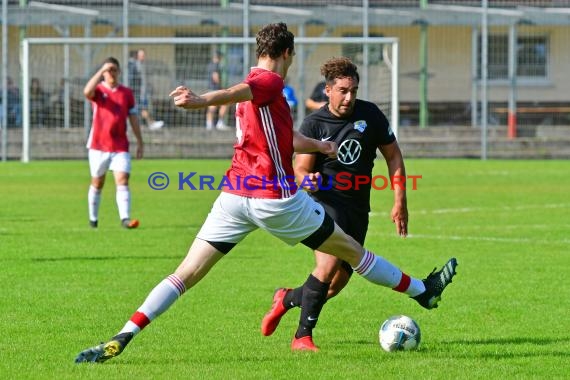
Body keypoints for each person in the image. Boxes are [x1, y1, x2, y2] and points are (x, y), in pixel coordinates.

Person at [74, 23, 457, 363]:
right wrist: (199, 100)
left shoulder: (259, 95)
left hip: (233, 197)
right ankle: (424, 292)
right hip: (275, 200)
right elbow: (237, 90)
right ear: (287, 53)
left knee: (185, 274)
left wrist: (320, 147)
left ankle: (123, 336)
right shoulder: (269, 81)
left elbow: (282, 137)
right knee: (352, 254)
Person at [261, 56, 421, 350]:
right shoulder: (314, 123)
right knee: (326, 266)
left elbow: (393, 156)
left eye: (354, 91)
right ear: (328, 90)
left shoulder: (370, 115)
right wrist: (305, 179)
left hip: (358, 209)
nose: (349, 97)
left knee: (335, 285)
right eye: (343, 91)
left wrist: (400, 201)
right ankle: (302, 338)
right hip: (324, 205)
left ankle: (286, 298)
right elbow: (299, 168)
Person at [83, 57, 143, 229]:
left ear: (119, 72)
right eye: (108, 71)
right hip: (98, 145)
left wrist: (140, 141)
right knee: (97, 182)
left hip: (120, 145)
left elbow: (133, 118)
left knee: (123, 179)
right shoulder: (99, 90)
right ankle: (93, 220)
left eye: (114, 70)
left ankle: (125, 219)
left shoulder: (126, 93)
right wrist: (101, 70)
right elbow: (87, 92)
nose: (111, 73)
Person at [128, 49, 164, 130]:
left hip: (143, 92)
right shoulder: (134, 65)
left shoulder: (141, 65)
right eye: (141, 55)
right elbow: (132, 80)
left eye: (144, 55)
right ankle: (151, 123)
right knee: (142, 108)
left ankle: (147, 123)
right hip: (138, 93)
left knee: (141, 109)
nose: (143, 57)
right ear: (137, 56)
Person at [205, 51, 230, 130]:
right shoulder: (216, 65)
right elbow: (215, 77)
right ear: (218, 57)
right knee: (225, 103)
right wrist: (221, 87)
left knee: (212, 107)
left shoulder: (209, 65)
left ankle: (209, 124)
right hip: (215, 89)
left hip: (210, 88)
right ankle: (220, 122)